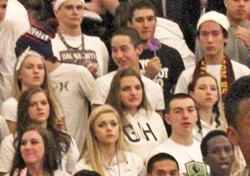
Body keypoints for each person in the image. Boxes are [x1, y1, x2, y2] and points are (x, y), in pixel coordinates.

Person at [15, 20, 96, 152]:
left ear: (40, 54)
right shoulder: (31, 83)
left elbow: (100, 106)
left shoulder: (77, 73)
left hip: (75, 150)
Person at [176, 12, 250, 97]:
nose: (210, 40)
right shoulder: (187, 76)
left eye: (215, 34)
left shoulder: (242, 72)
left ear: (225, 37)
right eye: (204, 34)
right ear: (198, 39)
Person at [91, 27, 164, 111]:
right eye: (114, 50)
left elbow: (158, 122)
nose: (119, 55)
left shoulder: (155, 88)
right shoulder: (102, 84)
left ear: (139, 49)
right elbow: (97, 120)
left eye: (124, 49)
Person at [126, 0, 185, 104]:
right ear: (130, 24)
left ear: (156, 22)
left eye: (150, 19)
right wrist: (147, 76)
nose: (146, 25)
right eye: (140, 20)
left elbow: (180, 95)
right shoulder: (124, 56)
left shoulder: (172, 54)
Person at [106, 68, 167, 161]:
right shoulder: (109, 119)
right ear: (116, 92)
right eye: (126, 89)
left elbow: (164, 151)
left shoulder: (154, 117)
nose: (133, 93)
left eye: (138, 88)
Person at [51, 0, 109, 76]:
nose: (75, 12)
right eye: (69, 8)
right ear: (56, 12)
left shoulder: (97, 43)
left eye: (79, 8)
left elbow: (103, 79)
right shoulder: (50, 44)